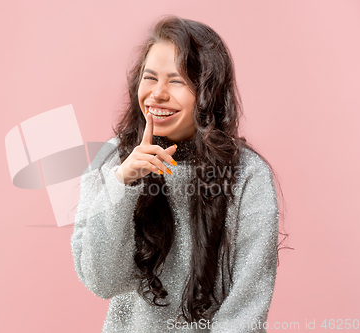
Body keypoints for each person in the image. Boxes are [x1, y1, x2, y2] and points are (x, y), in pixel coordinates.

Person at [71, 15, 282, 333]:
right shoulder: (111, 162)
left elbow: (246, 311)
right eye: (150, 78)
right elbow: (102, 282)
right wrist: (123, 182)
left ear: (207, 92)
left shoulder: (248, 176)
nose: (157, 94)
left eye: (177, 80)